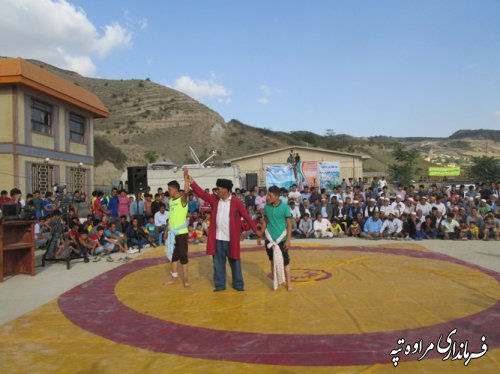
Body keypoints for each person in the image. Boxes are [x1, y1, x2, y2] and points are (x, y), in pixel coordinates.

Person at [187, 170, 259, 292]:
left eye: (219, 188)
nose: (217, 191)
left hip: (231, 240)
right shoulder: (215, 200)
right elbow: (202, 194)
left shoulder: (236, 202)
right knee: (218, 264)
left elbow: (247, 216)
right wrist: (192, 182)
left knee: (235, 263)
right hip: (218, 239)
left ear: (226, 189)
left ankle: (238, 285)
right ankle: (220, 285)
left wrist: (257, 231)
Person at [260, 185, 293, 291]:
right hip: (269, 239)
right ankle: (276, 281)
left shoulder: (285, 208)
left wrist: (288, 240)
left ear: (277, 196)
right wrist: (261, 233)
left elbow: (289, 224)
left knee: (285, 261)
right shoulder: (267, 207)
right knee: (272, 260)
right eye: (268, 195)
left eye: (270, 195)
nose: (268, 197)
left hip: (282, 239)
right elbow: (265, 221)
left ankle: (289, 283)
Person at [164, 173, 190, 287]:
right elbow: (171, 218)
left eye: (169, 189)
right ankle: (174, 278)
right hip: (172, 233)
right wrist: (166, 231)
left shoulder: (182, 200)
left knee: (183, 255)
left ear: (175, 189)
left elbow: (186, 191)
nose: (168, 191)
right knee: (173, 256)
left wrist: (185, 177)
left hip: (181, 233)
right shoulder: (170, 202)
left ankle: (185, 279)